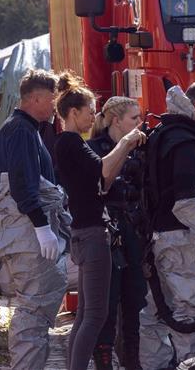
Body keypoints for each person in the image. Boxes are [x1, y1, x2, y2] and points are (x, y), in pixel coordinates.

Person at [53, 73, 146, 370]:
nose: (95, 116)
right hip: (92, 234)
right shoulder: (71, 143)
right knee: (95, 315)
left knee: (85, 316)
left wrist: (125, 148)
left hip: (86, 231)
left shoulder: (72, 144)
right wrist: (128, 142)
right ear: (73, 112)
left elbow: (104, 180)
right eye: (91, 111)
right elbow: (105, 168)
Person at [0, 68, 69, 369]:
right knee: (32, 309)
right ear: (35, 98)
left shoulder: (27, 129)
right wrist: (42, 226)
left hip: (28, 229)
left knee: (36, 307)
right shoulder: (21, 130)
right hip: (28, 231)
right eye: (51, 99)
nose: (55, 105)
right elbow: (22, 182)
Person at [139, 81, 195, 370]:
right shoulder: (187, 142)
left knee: (153, 316)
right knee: (191, 317)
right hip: (184, 241)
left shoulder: (161, 133)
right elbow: (186, 199)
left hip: (157, 238)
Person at [87, 97, 148, 370]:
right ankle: (104, 364)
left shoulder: (140, 148)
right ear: (115, 120)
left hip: (133, 231)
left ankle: (132, 362)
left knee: (135, 300)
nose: (140, 123)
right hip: (106, 231)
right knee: (107, 304)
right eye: (134, 118)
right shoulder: (94, 149)